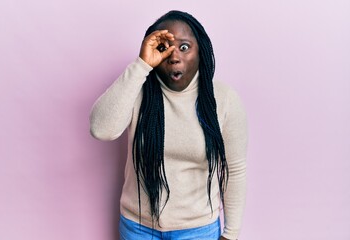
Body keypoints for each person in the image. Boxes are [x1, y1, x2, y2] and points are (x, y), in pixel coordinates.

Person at [90, 10, 247, 240]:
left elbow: (234, 171)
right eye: (164, 48)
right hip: (138, 228)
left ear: (200, 52)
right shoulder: (137, 92)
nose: (174, 57)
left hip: (198, 230)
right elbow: (100, 129)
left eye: (184, 47)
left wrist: (231, 234)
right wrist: (142, 65)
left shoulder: (224, 100)